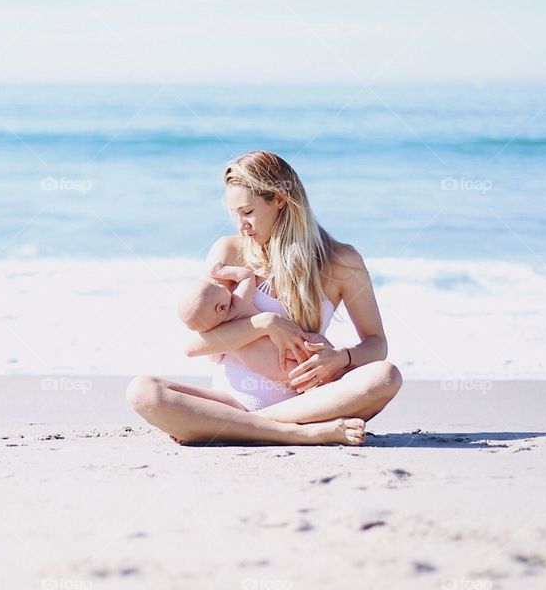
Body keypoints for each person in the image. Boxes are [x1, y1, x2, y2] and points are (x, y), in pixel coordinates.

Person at [126, 150, 402, 445]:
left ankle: (242, 428)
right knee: (143, 391)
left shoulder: (342, 261)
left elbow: (376, 344)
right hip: (228, 403)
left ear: (279, 200)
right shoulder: (229, 252)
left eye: (247, 213)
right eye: (235, 215)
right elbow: (197, 345)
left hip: (308, 404)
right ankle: (297, 434)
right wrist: (264, 324)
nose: (240, 226)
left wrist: (341, 357)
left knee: (386, 376)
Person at [176, 261, 334, 394]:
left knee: (303, 380)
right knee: (317, 345)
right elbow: (246, 276)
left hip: (278, 370)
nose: (218, 281)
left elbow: (212, 354)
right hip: (284, 348)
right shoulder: (237, 304)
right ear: (221, 308)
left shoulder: (219, 338)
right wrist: (221, 271)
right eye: (217, 286)